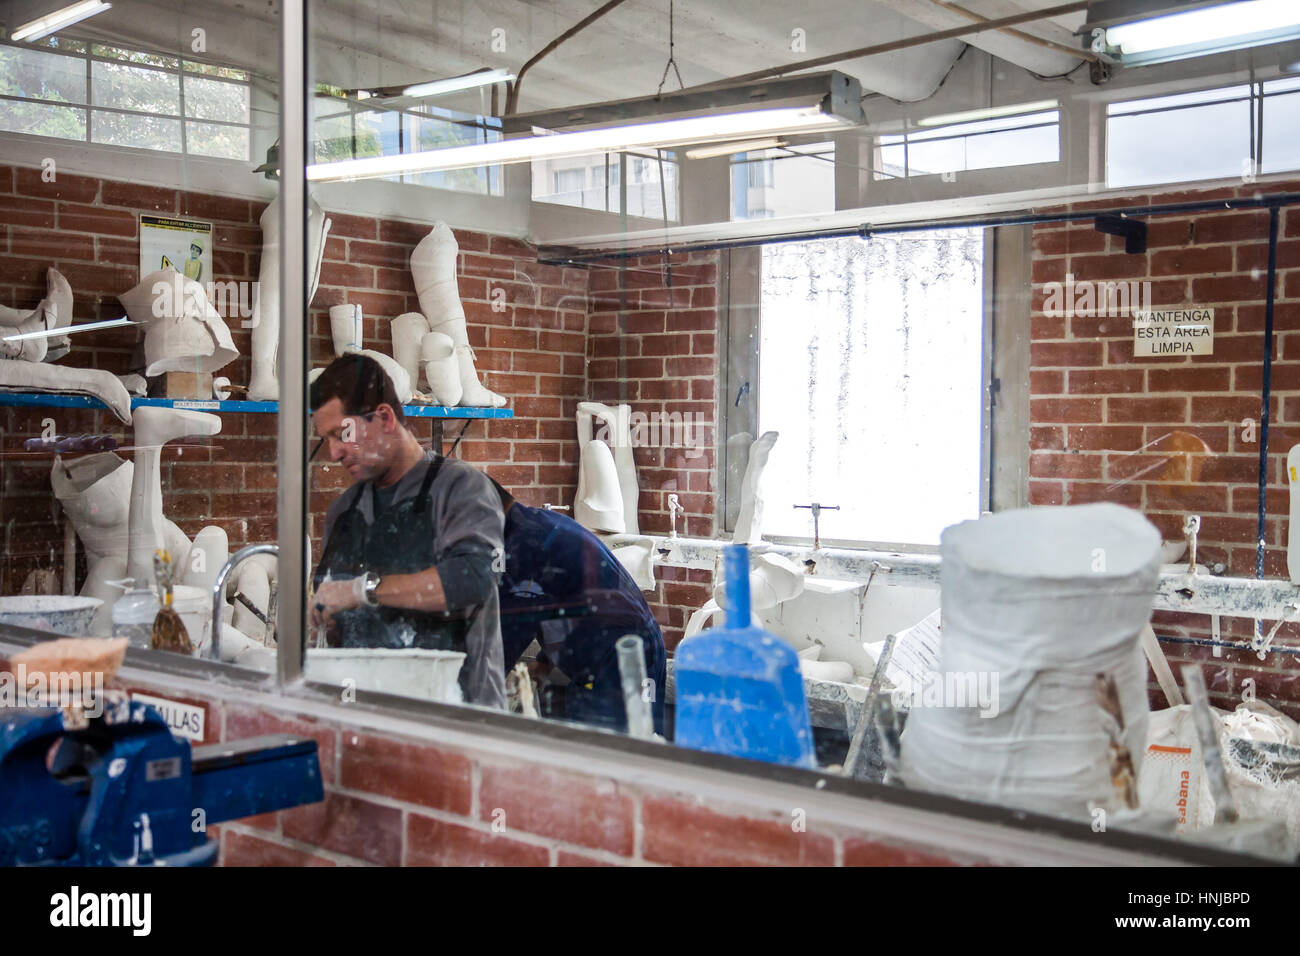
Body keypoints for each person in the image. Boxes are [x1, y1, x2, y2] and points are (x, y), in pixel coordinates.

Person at [309, 354, 506, 709]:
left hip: (455, 720)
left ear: (384, 417)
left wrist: (360, 590)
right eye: (327, 439)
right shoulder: (344, 512)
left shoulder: (460, 488)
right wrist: (321, 618)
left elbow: (474, 577)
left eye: (343, 434)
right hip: (369, 718)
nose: (334, 452)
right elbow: (338, 623)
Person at [492, 483, 666, 735]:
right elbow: (561, 602)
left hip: (626, 657)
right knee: (587, 751)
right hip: (595, 663)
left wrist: (471, 691)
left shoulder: (526, 543)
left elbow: (511, 634)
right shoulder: (532, 527)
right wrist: (544, 663)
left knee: (624, 756)